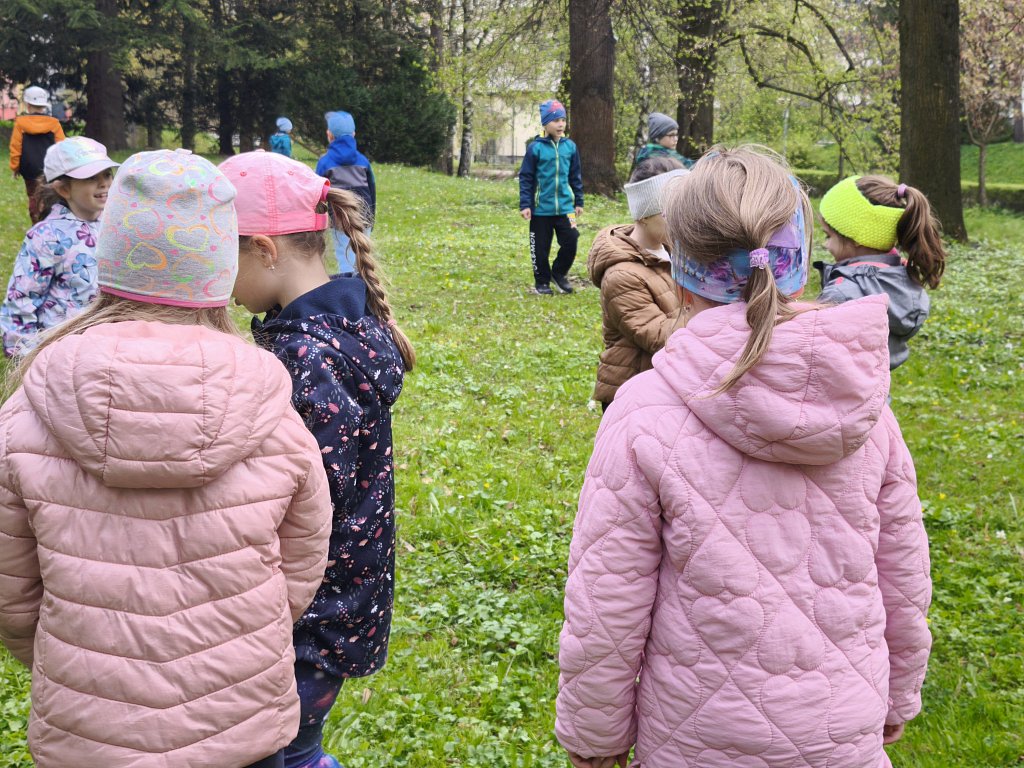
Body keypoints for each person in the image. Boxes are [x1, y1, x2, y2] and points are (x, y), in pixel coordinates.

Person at [556, 146, 932, 768]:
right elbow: (903, 575)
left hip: (695, 740)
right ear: (800, 267)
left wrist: (594, 738)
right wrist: (898, 696)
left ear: (679, 273)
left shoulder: (642, 411)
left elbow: (608, 600)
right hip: (842, 733)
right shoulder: (869, 411)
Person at [0, 148, 333, 768]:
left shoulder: (29, 409)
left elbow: (12, 590)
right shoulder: (270, 406)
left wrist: (72, 660)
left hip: (90, 730)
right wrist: (245, 639)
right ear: (217, 267)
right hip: (240, 722)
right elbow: (302, 559)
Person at [220, 150, 415, 768]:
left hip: (312, 619)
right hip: (340, 606)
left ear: (263, 250)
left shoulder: (305, 359)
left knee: (287, 752)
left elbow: (303, 499)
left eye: (223, 258)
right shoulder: (344, 327)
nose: (219, 282)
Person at [1, 137, 119, 358]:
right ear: (64, 189)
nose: (104, 183)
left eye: (107, 174)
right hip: (60, 350)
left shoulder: (114, 225)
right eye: (91, 178)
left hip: (107, 347)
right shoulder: (47, 236)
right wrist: (24, 355)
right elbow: (22, 298)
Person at [587, 157, 689, 411]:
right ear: (643, 215)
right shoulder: (621, 275)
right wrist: (710, 310)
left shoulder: (674, 251)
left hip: (663, 386)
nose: (682, 222)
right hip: (631, 395)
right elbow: (658, 337)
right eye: (670, 213)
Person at [816, 175, 946, 370]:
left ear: (857, 237)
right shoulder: (905, 282)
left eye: (828, 236)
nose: (826, 244)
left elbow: (814, 355)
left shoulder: (841, 295)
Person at [518, 98, 584, 295]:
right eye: (556, 120)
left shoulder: (570, 147)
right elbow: (526, 178)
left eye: (563, 120)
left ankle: (559, 273)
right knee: (540, 248)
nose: (561, 124)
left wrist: (578, 200)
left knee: (571, 240)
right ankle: (542, 282)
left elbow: (575, 176)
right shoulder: (535, 148)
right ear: (545, 124)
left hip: (566, 208)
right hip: (541, 209)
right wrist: (526, 204)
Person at [315, 110, 375, 273]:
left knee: (344, 257)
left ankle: (349, 285)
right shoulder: (363, 161)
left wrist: (320, 221)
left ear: (329, 135)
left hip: (339, 219)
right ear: (354, 134)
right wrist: (371, 219)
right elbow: (372, 190)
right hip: (363, 218)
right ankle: (365, 284)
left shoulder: (325, 163)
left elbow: (317, 194)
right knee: (363, 256)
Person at [8, 85, 66, 223]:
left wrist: (15, 167)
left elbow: (16, 147)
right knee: (50, 196)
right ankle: (51, 222)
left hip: (29, 170)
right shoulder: (54, 123)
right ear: (44, 105)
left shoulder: (20, 123)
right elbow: (62, 147)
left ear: (28, 105)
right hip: (50, 169)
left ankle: (36, 223)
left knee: (33, 196)